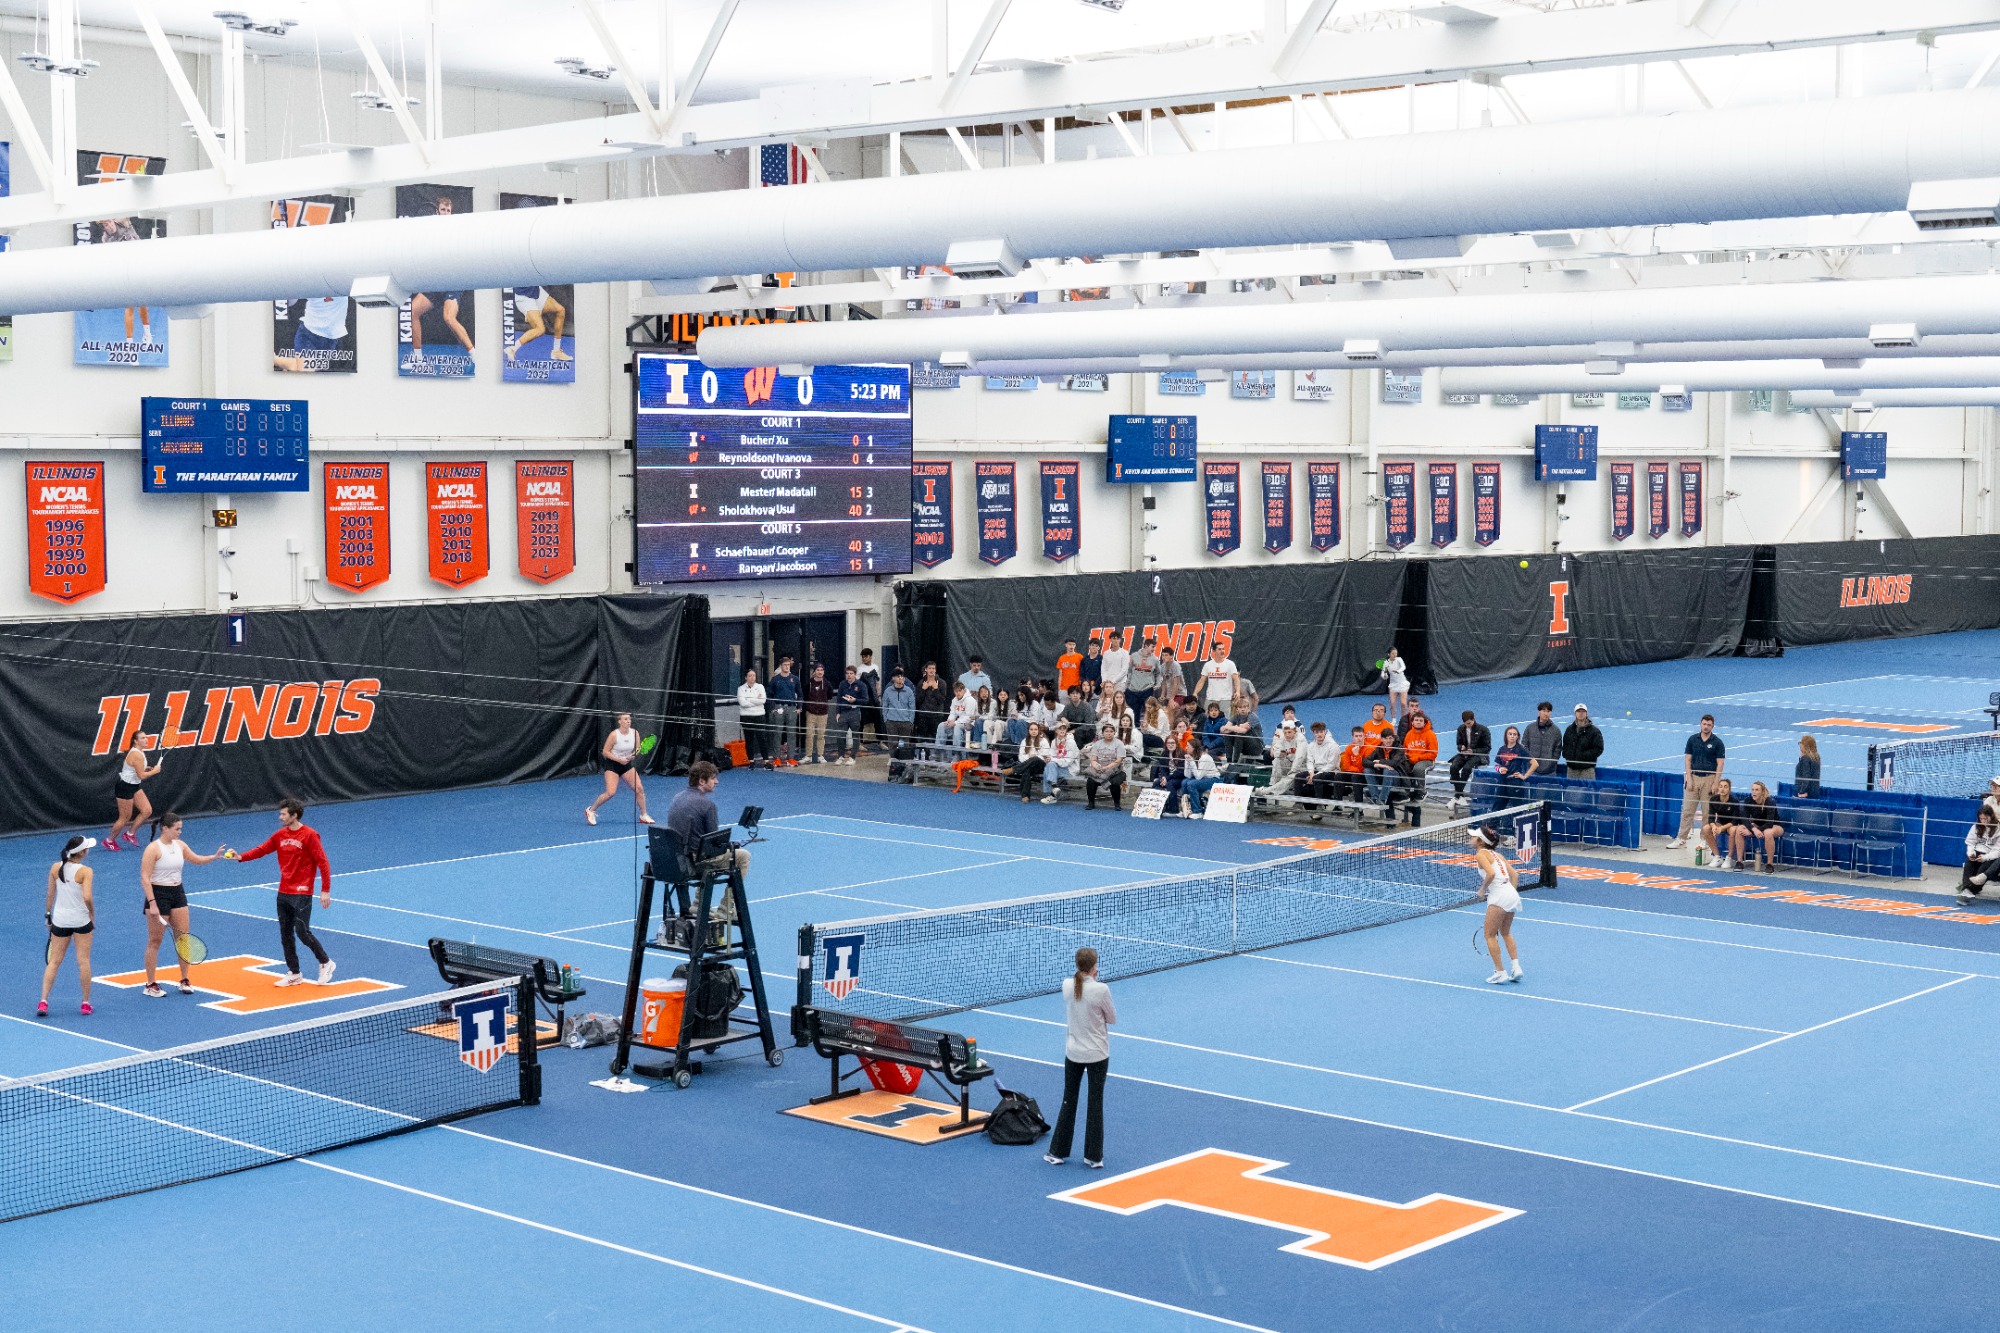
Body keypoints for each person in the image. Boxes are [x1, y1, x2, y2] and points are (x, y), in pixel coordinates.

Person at [228, 798, 335, 987]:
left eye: (284, 814)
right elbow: (263, 849)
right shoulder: (279, 835)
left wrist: (325, 890)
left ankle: (326, 962)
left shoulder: (310, 835)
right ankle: (294, 973)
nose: (280, 817)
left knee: (302, 932)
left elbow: (323, 863)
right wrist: (241, 857)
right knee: (285, 935)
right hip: (284, 891)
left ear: (294, 816)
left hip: (302, 892)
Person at [138, 813, 227, 998]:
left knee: (183, 939)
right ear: (165, 828)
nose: (180, 832)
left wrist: (214, 856)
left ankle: (184, 979)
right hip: (158, 895)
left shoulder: (180, 845)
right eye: (177, 828)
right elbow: (145, 877)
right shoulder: (153, 849)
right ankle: (150, 983)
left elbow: (196, 859)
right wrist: (153, 904)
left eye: (180, 828)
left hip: (178, 893)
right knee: (155, 941)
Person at [1046, 946, 1115, 1170]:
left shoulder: (1067, 986)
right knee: (1095, 1103)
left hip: (1073, 1053)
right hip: (1097, 1054)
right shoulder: (1101, 990)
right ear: (1094, 966)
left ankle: (1057, 1152)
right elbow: (1111, 1018)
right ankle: (1093, 1157)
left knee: (1069, 1100)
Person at [665, 760, 750, 925]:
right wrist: (731, 846)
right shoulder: (708, 805)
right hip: (695, 861)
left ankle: (698, 904)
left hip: (677, 859)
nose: (716, 782)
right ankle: (726, 908)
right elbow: (713, 843)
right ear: (702, 781)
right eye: (713, 778)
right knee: (743, 856)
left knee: (707, 854)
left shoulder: (677, 797)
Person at [40, 835, 96, 1018]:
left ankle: (43, 1001)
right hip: (80, 921)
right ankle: (86, 1003)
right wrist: (92, 914)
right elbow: (87, 897)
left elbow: (50, 895)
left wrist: (48, 915)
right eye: (86, 847)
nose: (88, 850)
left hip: (60, 920)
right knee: (83, 961)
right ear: (81, 852)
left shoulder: (56, 868)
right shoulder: (86, 871)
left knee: (54, 961)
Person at [1473, 825, 1523, 985]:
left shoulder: (1481, 854)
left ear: (1480, 841)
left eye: (1474, 837)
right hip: (1511, 894)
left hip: (1499, 896)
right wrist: (1510, 894)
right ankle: (1516, 968)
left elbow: (1491, 874)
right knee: (1505, 932)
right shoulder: (1498, 855)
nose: (1471, 839)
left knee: (1489, 935)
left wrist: (1482, 890)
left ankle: (1500, 972)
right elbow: (1515, 874)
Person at [1668, 714, 1726, 849]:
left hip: (1709, 778)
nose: (1706, 727)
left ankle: (1704, 840)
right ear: (1700, 724)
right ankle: (1681, 838)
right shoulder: (1692, 740)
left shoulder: (1717, 742)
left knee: (1707, 812)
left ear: (1713, 726)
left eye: (1709, 725)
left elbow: (1720, 763)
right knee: (1688, 810)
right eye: (1704, 724)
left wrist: (1716, 782)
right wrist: (1689, 777)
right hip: (1693, 778)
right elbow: (1688, 759)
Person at [585, 712, 652, 826]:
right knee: (610, 792)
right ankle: (590, 810)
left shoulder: (635, 733)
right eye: (625, 719)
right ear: (619, 721)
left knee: (639, 789)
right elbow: (605, 752)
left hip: (626, 765)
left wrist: (632, 756)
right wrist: (619, 759)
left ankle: (643, 815)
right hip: (612, 765)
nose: (628, 721)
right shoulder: (614, 735)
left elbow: (637, 749)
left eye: (629, 719)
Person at [106, 733, 162, 852]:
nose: (146, 739)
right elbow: (141, 775)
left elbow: (136, 770)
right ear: (135, 741)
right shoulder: (137, 754)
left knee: (147, 810)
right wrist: (155, 771)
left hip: (134, 785)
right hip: (125, 787)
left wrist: (146, 769)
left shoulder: (139, 752)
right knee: (125, 817)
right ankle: (109, 841)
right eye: (142, 738)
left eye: (146, 737)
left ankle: (130, 834)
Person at [1957, 783, 2000, 905]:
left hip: (1991, 854)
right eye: (1981, 819)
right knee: (1970, 863)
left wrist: (1985, 857)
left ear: (1991, 817)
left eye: (1986, 819)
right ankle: (1966, 889)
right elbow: (1971, 842)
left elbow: (1997, 850)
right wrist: (1971, 852)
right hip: (1980, 851)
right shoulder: (1977, 826)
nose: (1984, 821)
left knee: (1983, 868)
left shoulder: (1997, 829)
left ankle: (1970, 890)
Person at [1734, 781, 1785, 873]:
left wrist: (1754, 830)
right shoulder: (1748, 800)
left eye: (1757, 790)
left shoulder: (1769, 801)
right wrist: (1753, 829)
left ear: (1762, 792)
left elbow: (1769, 823)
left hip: (1775, 826)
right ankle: (1739, 862)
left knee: (1768, 832)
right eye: (1752, 789)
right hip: (1757, 826)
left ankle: (1770, 864)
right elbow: (1744, 819)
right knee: (1739, 829)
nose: (1754, 792)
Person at [1450, 710, 1492, 811]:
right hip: (1464, 754)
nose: (1467, 725)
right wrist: (1462, 748)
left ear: (1473, 719)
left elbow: (1487, 748)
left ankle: (1457, 795)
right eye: (1466, 723)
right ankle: (1460, 796)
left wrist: (1473, 751)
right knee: (1453, 767)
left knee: (1466, 769)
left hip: (1478, 755)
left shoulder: (1484, 729)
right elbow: (1458, 744)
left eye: (1469, 723)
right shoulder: (1460, 729)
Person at [1082, 724, 1128, 812]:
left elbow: (1119, 760)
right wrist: (1097, 766)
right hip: (1100, 768)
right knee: (1090, 781)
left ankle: (1117, 804)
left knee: (1114, 783)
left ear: (1114, 733)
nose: (1109, 733)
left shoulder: (1119, 743)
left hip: (1115, 770)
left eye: (1111, 731)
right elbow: (1093, 760)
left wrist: (1106, 767)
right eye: (1106, 731)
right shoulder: (1097, 744)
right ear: (1103, 733)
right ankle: (1091, 803)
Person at [767, 656, 801, 767]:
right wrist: (773, 708)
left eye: (788, 665)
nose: (787, 667)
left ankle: (790, 758)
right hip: (779, 707)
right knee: (777, 733)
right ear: (781, 666)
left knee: (791, 733)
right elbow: (769, 695)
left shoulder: (795, 679)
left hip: (791, 707)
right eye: (785, 665)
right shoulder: (775, 679)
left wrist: (799, 707)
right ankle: (777, 757)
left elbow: (800, 694)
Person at [1701, 777, 1743, 869]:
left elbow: (1735, 821)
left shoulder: (1734, 801)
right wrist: (1713, 826)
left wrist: (1721, 828)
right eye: (1720, 786)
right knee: (1706, 828)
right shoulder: (1713, 799)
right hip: (1720, 823)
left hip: (1732, 824)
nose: (1722, 789)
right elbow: (1711, 818)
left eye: (1725, 787)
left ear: (1729, 789)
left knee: (1732, 830)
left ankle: (1729, 857)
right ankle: (1717, 856)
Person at [831, 665, 868, 765]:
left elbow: (865, 700)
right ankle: (840, 756)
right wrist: (837, 712)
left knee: (855, 735)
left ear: (855, 675)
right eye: (847, 673)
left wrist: (855, 700)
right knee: (840, 735)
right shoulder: (842, 684)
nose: (849, 676)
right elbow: (838, 699)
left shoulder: (861, 685)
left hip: (854, 712)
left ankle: (852, 757)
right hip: (843, 712)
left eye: (851, 673)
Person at [1402, 710, 1439, 802]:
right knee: (1400, 766)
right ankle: (1405, 791)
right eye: (1416, 720)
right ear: (1412, 722)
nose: (1418, 722)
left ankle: (1421, 791)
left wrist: (1417, 758)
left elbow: (1433, 753)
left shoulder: (1430, 734)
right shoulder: (1409, 734)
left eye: (1420, 720)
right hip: (1411, 759)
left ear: (1424, 722)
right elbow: (1405, 749)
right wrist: (1406, 756)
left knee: (1418, 768)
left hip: (1427, 760)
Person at [1561, 704, 1604, 781]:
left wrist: (1583, 755)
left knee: (1587, 792)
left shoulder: (1594, 731)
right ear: (1575, 713)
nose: (1581, 713)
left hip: (1587, 770)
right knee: (1572, 792)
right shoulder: (1569, 730)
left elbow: (1598, 749)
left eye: (1583, 711)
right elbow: (1565, 745)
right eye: (1578, 711)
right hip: (1571, 769)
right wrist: (1567, 756)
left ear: (1586, 713)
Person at [1041, 722, 1080, 804]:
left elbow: (1067, 762)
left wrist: (1052, 759)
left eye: (1064, 728)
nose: (1062, 730)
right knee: (1049, 765)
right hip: (1057, 767)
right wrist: (1048, 759)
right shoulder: (1054, 741)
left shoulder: (1071, 742)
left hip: (1070, 769)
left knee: (1048, 768)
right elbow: (1052, 756)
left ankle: (1052, 793)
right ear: (1056, 730)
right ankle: (1054, 789)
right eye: (1060, 728)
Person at [1219, 691, 1263, 763]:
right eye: (1240, 707)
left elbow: (1243, 731)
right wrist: (1239, 726)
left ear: (1248, 708)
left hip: (1256, 747)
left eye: (1245, 707)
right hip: (1243, 746)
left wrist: (1230, 727)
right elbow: (1223, 730)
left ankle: (1235, 762)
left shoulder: (1252, 716)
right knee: (1227, 735)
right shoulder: (1235, 717)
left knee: (1239, 735)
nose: (1243, 709)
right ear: (1237, 709)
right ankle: (1229, 761)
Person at [736, 669, 768, 767]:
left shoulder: (760, 687)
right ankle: (751, 761)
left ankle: (766, 761)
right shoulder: (740, 689)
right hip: (746, 717)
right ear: (746, 677)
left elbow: (762, 700)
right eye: (750, 675)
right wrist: (755, 700)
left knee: (762, 738)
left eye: (754, 675)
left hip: (759, 716)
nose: (752, 677)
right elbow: (742, 703)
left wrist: (749, 699)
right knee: (749, 739)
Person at [1012, 722, 1051, 801]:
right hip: (1028, 765)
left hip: (1041, 765)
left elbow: (1045, 756)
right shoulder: (1024, 741)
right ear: (1028, 731)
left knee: (1035, 758)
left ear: (1038, 730)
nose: (1033, 731)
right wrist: (1029, 756)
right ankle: (1025, 796)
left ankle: (1014, 769)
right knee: (1027, 770)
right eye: (1031, 729)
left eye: (1035, 729)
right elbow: (1020, 756)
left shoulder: (1043, 741)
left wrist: (1034, 757)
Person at [801, 662, 832, 763]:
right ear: (814, 671)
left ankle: (820, 755)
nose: (820, 672)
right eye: (818, 670)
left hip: (823, 713)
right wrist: (809, 708)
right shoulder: (809, 683)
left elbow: (830, 695)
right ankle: (808, 755)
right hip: (811, 713)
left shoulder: (827, 684)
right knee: (809, 734)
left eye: (822, 670)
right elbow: (805, 696)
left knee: (821, 735)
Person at [914, 663, 949, 748]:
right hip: (924, 715)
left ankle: (936, 757)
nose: (931, 670)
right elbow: (918, 700)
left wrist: (936, 689)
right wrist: (923, 689)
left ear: (935, 670)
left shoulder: (942, 683)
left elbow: (941, 700)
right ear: (926, 670)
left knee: (936, 738)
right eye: (929, 668)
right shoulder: (921, 683)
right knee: (923, 738)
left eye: (933, 668)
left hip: (936, 715)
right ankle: (923, 757)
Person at [1521, 702, 1561, 778]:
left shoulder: (1556, 731)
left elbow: (1557, 750)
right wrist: (1531, 762)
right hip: (1531, 770)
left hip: (1549, 772)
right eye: (1543, 710)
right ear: (1539, 711)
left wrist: (1550, 763)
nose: (1546, 713)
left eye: (1548, 711)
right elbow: (1524, 746)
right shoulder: (1530, 728)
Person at [1266, 718, 1305, 796]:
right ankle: (1273, 784)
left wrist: (1293, 770)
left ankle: (1270, 790)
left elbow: (1299, 758)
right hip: (1289, 764)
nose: (1287, 735)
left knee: (1293, 775)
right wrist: (1280, 753)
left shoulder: (1301, 739)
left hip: (1301, 767)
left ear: (1294, 731)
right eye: (1285, 733)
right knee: (1277, 760)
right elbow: (1275, 752)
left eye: (1289, 732)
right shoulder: (1283, 738)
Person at [880, 667, 917, 749]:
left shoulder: (909, 691)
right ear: (893, 678)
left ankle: (903, 761)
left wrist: (910, 721)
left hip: (905, 722)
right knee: (892, 745)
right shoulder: (888, 691)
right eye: (898, 676)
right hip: (891, 721)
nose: (900, 678)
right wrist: (886, 720)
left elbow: (912, 707)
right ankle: (894, 761)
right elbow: (884, 706)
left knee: (905, 745)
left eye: (902, 676)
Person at [856, 649, 884, 753]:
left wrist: (878, 694)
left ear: (870, 656)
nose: (864, 658)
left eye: (866, 656)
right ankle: (860, 743)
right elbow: (857, 685)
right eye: (862, 656)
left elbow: (877, 682)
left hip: (874, 698)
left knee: (878, 720)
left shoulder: (875, 667)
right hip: (864, 698)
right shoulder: (860, 669)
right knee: (862, 721)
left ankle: (880, 742)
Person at [1494, 725, 1530, 807]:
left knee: (1516, 807)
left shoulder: (1521, 749)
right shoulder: (1501, 749)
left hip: (1515, 782)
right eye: (1510, 734)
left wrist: (1524, 776)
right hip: (1502, 781)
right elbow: (1497, 765)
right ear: (1506, 736)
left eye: (1514, 734)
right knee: (1497, 806)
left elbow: (1534, 763)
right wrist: (1499, 769)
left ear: (1517, 736)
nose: (1512, 736)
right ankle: (1495, 820)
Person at [1182, 746, 1223, 816]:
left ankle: (1197, 811)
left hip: (1213, 779)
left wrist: (1191, 761)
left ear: (1194, 748)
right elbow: (1187, 775)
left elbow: (1198, 776)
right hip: (1203, 778)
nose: (1186, 748)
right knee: (1184, 782)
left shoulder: (1205, 758)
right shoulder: (1192, 756)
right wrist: (1187, 761)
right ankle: (1188, 809)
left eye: (1188, 746)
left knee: (1191, 784)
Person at [1125, 637, 1160, 717]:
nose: (1154, 649)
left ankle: (1148, 728)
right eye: (1152, 646)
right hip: (1134, 689)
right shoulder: (1134, 656)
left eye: (1154, 647)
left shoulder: (1155, 659)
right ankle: (1135, 729)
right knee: (1134, 714)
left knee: (1149, 713)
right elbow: (1130, 671)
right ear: (1146, 646)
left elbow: (1158, 673)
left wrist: (1157, 684)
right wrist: (1127, 685)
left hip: (1147, 689)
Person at [938, 681, 979, 748]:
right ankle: (939, 749)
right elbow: (953, 713)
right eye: (956, 691)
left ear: (964, 690)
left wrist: (955, 722)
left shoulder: (970, 700)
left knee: (957, 727)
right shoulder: (954, 700)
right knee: (941, 725)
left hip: (970, 724)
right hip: (959, 722)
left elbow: (969, 717)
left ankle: (956, 751)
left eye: (960, 691)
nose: (958, 693)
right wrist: (949, 720)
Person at [1199, 641, 1238, 712]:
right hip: (1211, 697)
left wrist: (1237, 691)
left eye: (1223, 649)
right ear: (1214, 651)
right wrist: (1195, 692)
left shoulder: (1230, 664)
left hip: (1225, 698)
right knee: (1207, 719)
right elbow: (1202, 680)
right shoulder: (1208, 665)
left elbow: (1236, 679)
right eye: (1219, 649)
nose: (1222, 651)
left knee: (1225, 720)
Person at [1099, 636, 1131, 709]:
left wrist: (1113, 681)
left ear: (1120, 640)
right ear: (1110, 640)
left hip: (1120, 683)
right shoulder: (1106, 653)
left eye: (1117, 638)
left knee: (1119, 704)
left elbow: (1124, 670)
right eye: (1114, 638)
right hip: (1108, 684)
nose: (1115, 640)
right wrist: (1104, 681)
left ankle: (1120, 719)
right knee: (1107, 704)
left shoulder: (1125, 653)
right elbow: (1103, 669)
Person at [1381, 647, 1410, 724]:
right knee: (1392, 704)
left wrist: (1398, 671)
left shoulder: (1399, 659)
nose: (1395, 655)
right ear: (1389, 654)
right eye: (1393, 653)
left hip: (1402, 684)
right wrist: (1385, 676)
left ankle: (1403, 720)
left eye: (1396, 653)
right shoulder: (1386, 663)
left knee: (1403, 704)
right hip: (1393, 685)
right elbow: (1383, 674)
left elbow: (1403, 667)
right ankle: (1393, 720)